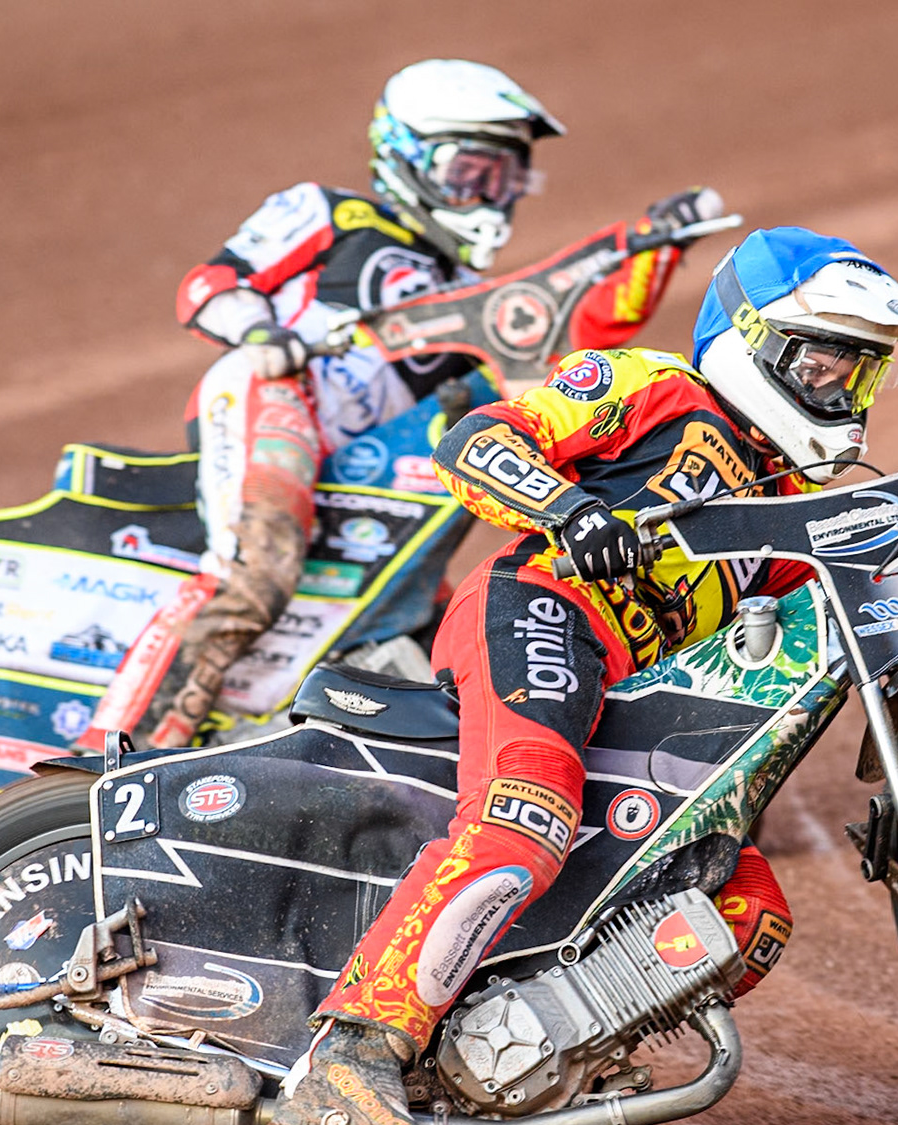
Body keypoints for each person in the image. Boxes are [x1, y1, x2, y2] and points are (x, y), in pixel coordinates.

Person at [266, 226, 898, 1125]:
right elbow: (476, 440)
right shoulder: (655, 389)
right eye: (824, 362)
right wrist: (571, 513)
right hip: (541, 610)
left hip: (627, 688)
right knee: (524, 820)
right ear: (754, 341)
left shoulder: (781, 498)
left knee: (744, 906)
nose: (842, 392)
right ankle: (352, 1050)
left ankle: (523, 1063)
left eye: (861, 374)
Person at [88, 58, 721, 749]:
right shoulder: (330, 213)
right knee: (255, 567)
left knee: (430, 610)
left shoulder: (464, 288)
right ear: (407, 155)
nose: (487, 196)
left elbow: (578, 330)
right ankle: (111, 748)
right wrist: (263, 332)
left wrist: (652, 248)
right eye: (468, 173)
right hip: (276, 395)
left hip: (369, 461)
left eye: (503, 178)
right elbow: (209, 284)